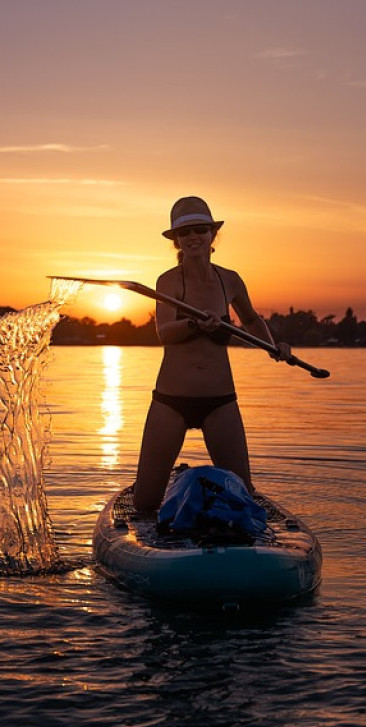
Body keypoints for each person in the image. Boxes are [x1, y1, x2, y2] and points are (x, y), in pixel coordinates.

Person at [132, 196, 289, 514]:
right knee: (145, 503)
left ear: (212, 234)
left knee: (243, 497)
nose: (192, 237)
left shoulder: (230, 279)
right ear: (176, 240)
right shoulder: (168, 281)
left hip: (220, 401)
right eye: (184, 232)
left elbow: (252, 321)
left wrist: (275, 348)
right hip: (171, 401)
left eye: (200, 230)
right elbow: (165, 332)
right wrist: (194, 322)